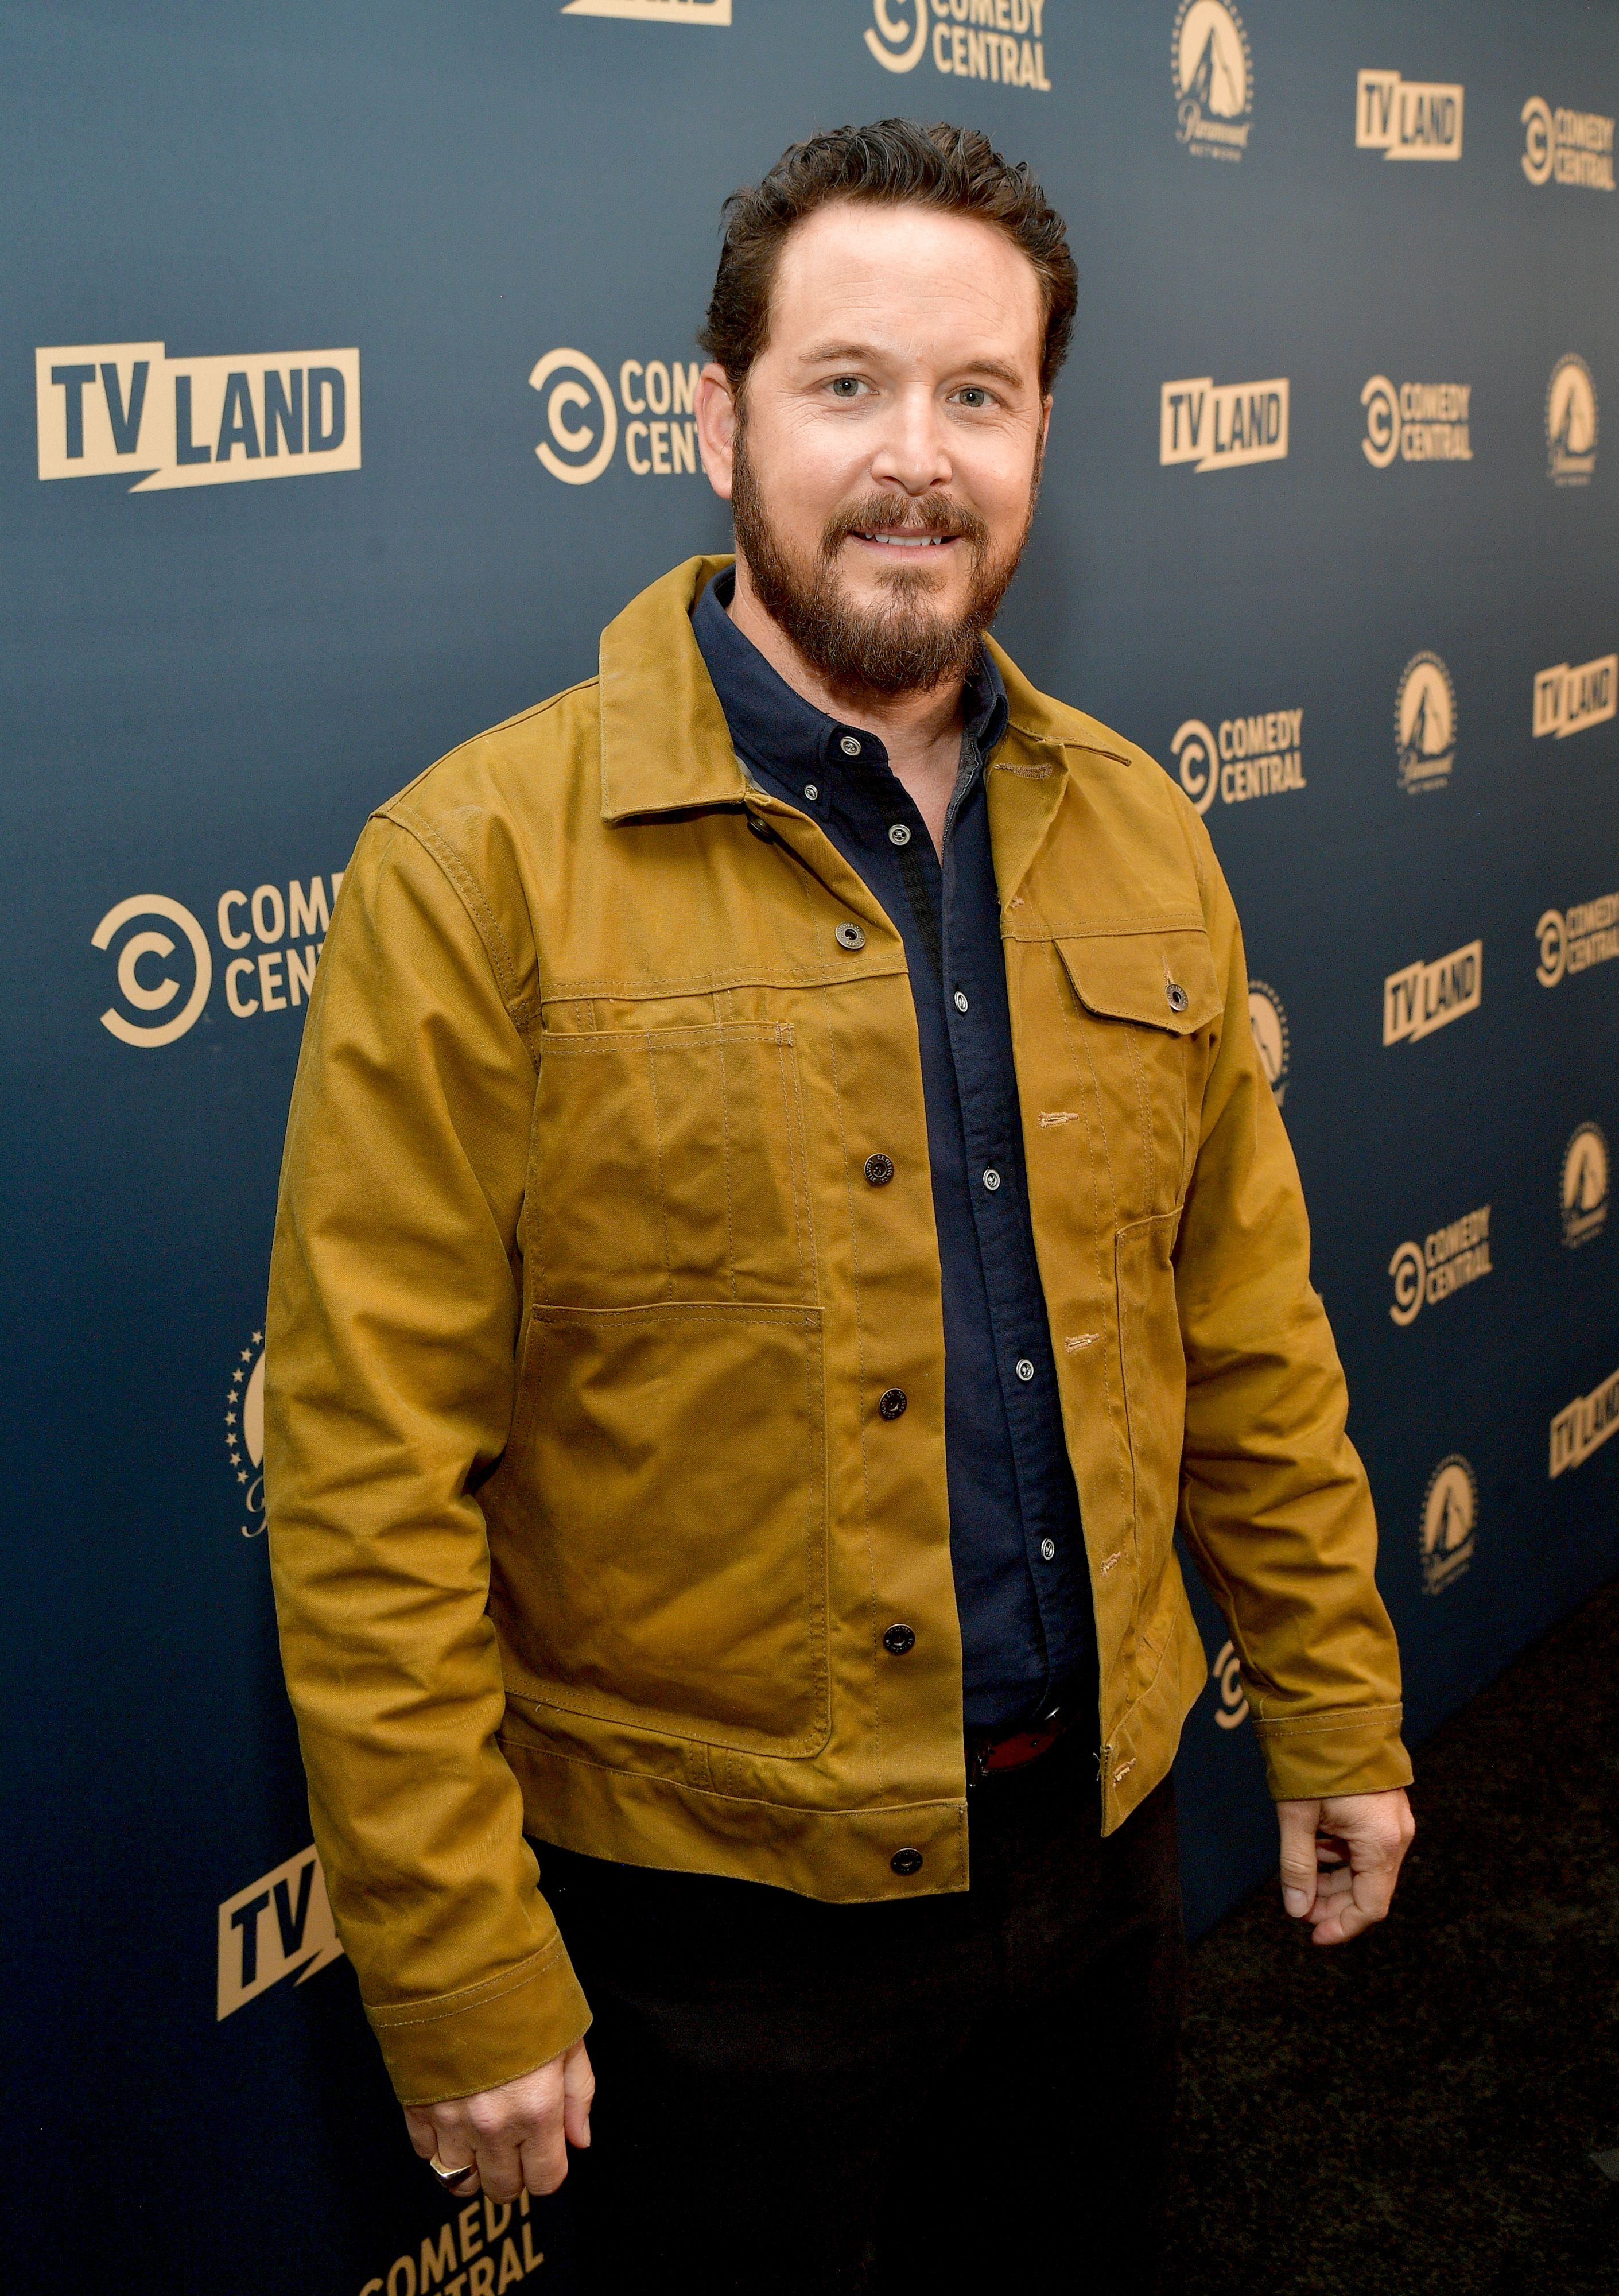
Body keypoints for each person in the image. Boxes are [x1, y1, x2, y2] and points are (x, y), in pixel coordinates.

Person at [266, 119, 1415, 2292]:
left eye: (977, 397)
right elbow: (363, 1473)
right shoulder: (478, 867)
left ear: (1044, 435)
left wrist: (1336, 1701)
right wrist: (458, 1964)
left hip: (1098, 1868)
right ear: (717, 422)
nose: (917, 462)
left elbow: (1244, 1325)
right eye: (848, 384)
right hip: (700, 1953)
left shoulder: (1149, 837)